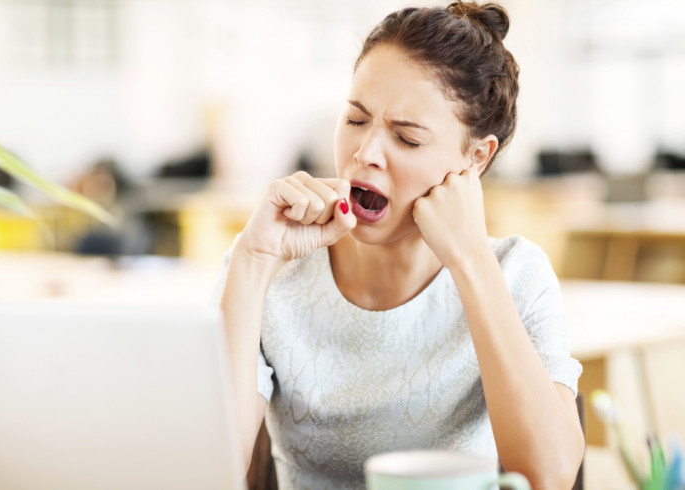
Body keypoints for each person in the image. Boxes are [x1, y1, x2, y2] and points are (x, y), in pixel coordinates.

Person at [219, 2, 584, 489]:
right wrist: (252, 260)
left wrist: (470, 260)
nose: (365, 154)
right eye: (355, 119)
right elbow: (205, 470)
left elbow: (550, 474)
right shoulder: (271, 269)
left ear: (476, 158)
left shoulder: (516, 273)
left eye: (407, 139)